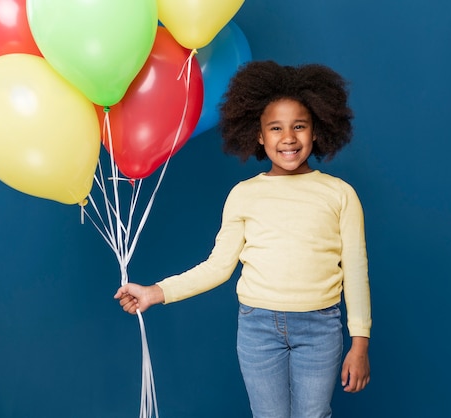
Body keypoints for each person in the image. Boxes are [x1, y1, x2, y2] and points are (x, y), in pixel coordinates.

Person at [114, 60, 372, 418]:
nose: (288, 138)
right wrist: (155, 292)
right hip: (258, 327)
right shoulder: (244, 195)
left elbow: (356, 273)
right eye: (276, 128)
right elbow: (218, 266)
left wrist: (360, 343)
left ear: (316, 131)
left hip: (320, 327)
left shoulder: (340, 195)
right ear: (259, 135)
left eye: (299, 126)